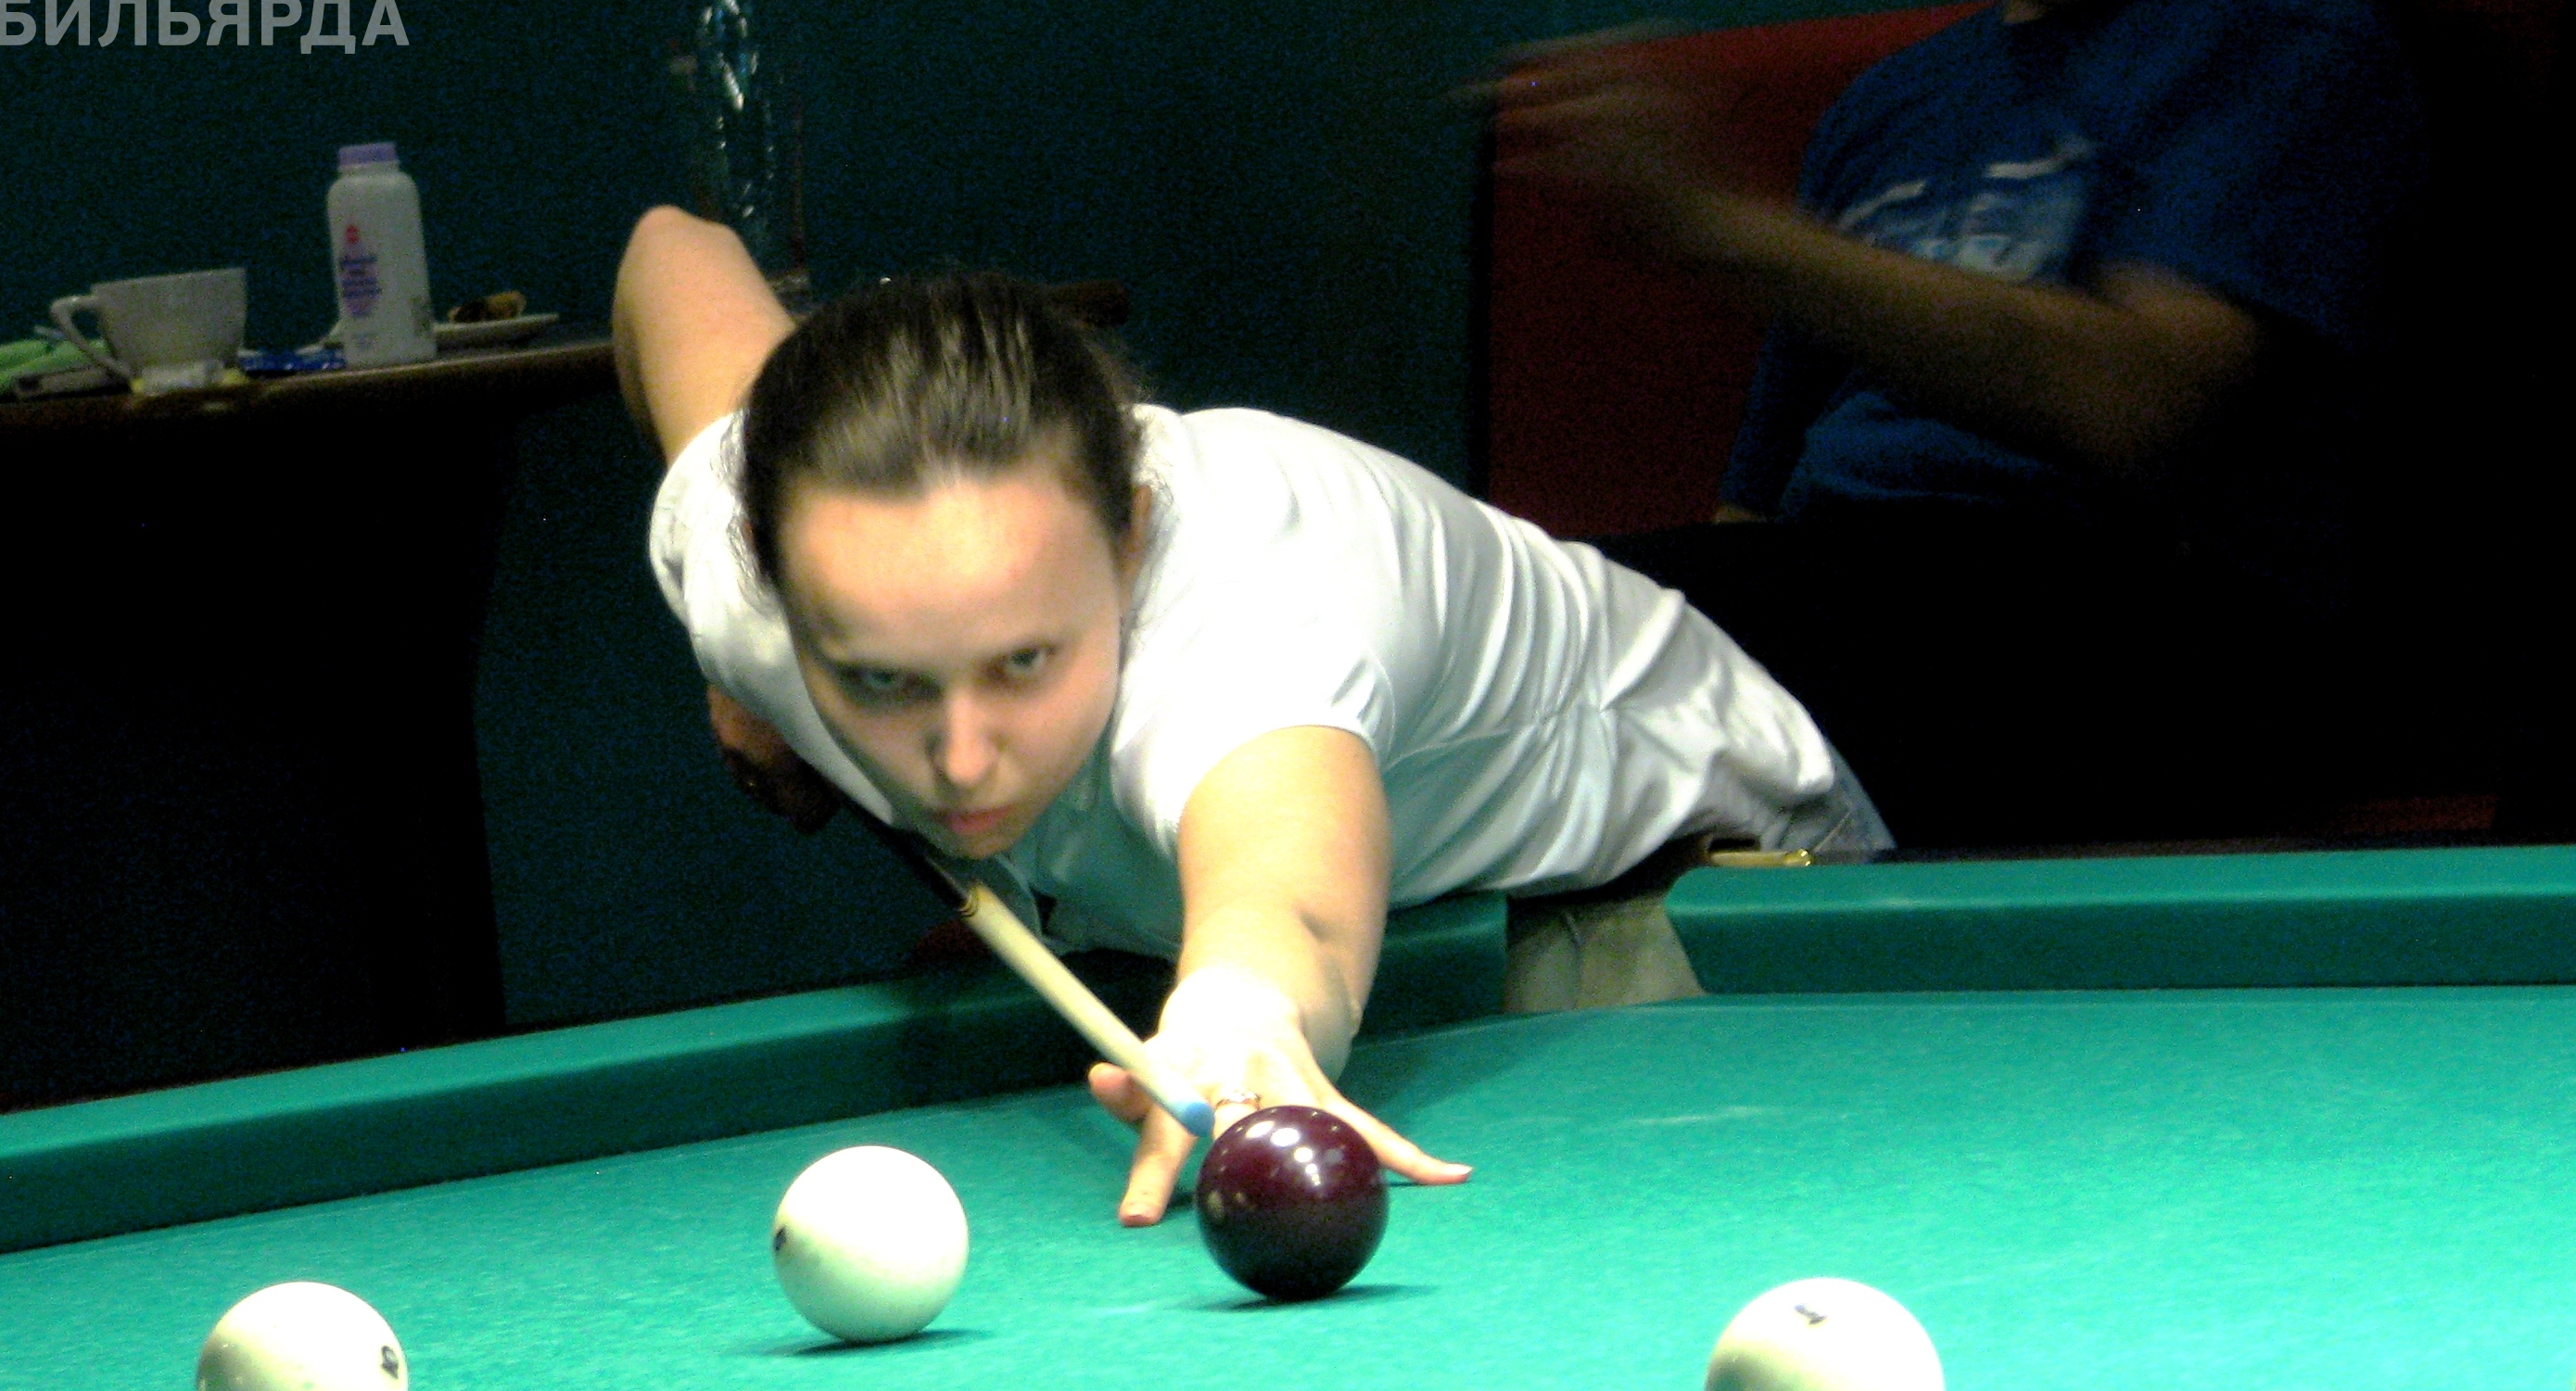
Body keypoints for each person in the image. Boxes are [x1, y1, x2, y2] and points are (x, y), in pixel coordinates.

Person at [613, 206, 1886, 1224]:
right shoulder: (750, 573)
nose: (957, 763)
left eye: (1024, 661)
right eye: (881, 681)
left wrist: (1241, 1015)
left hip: (1688, 895)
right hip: (1390, 905)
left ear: (1130, 540)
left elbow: (1290, 904)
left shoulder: (1257, 620)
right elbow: (670, 252)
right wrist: (751, 679)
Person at [1501, 0, 2424, 844]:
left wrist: (1718, 225)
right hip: (1842, 610)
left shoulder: (2280, 29)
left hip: (2113, 625)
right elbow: (1757, 506)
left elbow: (2139, 400)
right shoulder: (1891, 102)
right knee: (1492, 614)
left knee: (1509, 653)